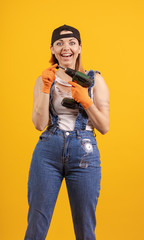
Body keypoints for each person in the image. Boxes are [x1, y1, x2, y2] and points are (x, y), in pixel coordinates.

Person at [24, 24, 110, 240]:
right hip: (47, 153)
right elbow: (39, 123)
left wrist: (86, 101)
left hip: (84, 155)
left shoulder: (95, 79)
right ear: (52, 49)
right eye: (59, 43)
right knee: (36, 223)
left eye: (72, 43)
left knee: (85, 227)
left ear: (79, 47)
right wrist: (46, 88)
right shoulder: (43, 79)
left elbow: (104, 126)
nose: (66, 48)